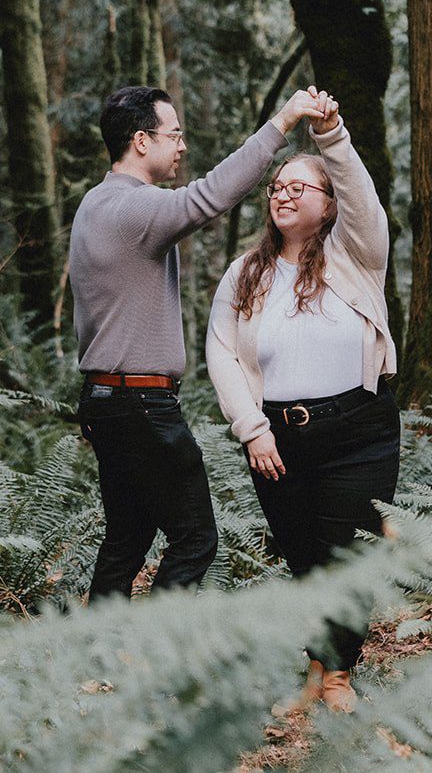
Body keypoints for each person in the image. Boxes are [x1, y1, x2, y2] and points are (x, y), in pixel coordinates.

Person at [69, 84, 326, 601]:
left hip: (106, 401)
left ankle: (91, 661)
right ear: (141, 141)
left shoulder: (95, 206)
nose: (182, 146)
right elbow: (210, 196)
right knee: (196, 538)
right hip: (141, 403)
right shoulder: (133, 210)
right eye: (175, 135)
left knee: (127, 537)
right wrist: (282, 122)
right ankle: (151, 656)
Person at [205, 91, 399, 715]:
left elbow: (361, 194)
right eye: (275, 187)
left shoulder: (356, 255)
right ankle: (318, 670)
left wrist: (332, 134)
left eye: (299, 186)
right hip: (278, 441)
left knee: (348, 556)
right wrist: (251, 428)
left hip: (358, 433)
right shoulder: (246, 275)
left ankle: (338, 678)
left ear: (329, 201)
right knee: (304, 556)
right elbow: (221, 353)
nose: (282, 194)